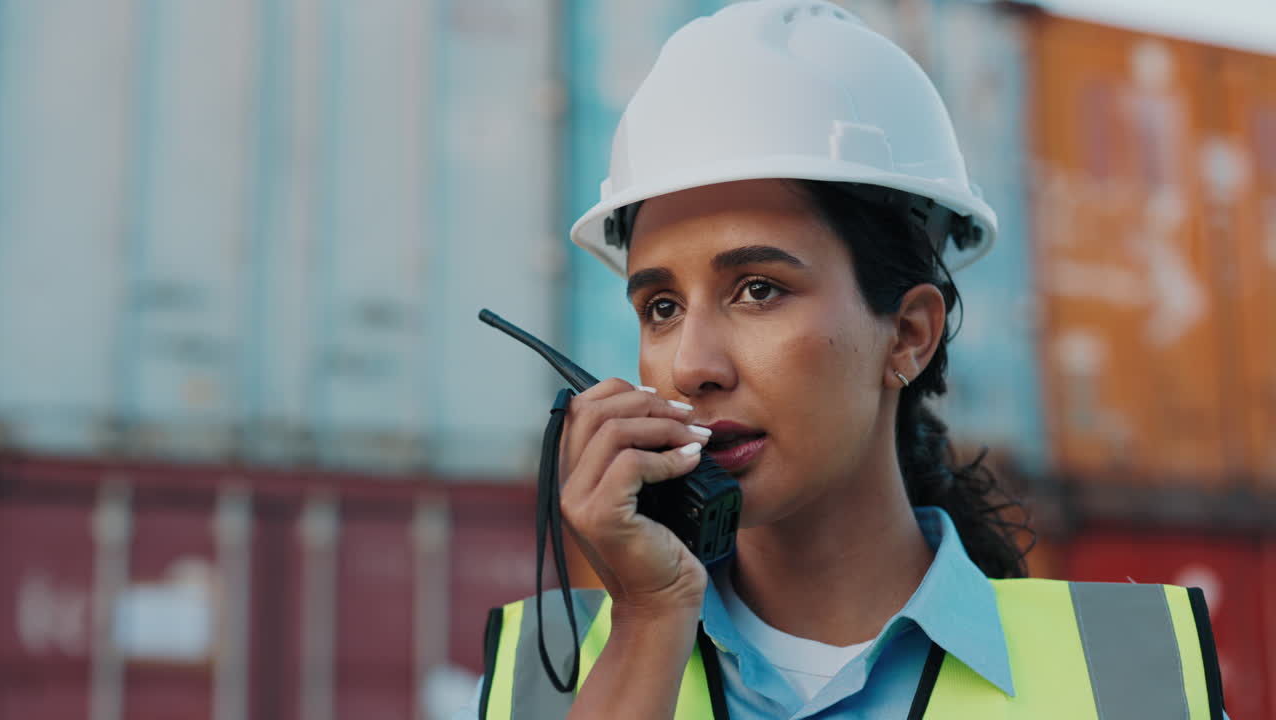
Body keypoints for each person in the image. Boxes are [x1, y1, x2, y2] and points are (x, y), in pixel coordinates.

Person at [458, 1, 1226, 718]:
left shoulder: (1135, 672)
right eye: (661, 307)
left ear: (909, 336)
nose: (691, 365)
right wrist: (651, 622)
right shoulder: (546, 675)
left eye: (758, 289)